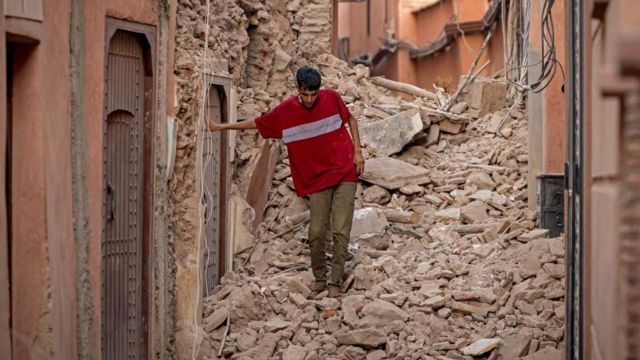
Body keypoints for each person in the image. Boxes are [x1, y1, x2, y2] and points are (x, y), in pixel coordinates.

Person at [207, 66, 364, 299]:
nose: (310, 99)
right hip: (317, 179)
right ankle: (320, 278)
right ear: (298, 90)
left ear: (319, 90)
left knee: (341, 230)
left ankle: (335, 283)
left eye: (313, 94)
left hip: (345, 172)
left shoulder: (332, 98)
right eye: (305, 94)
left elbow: (350, 120)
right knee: (317, 232)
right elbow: (258, 123)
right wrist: (221, 127)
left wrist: (358, 152)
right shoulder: (286, 112)